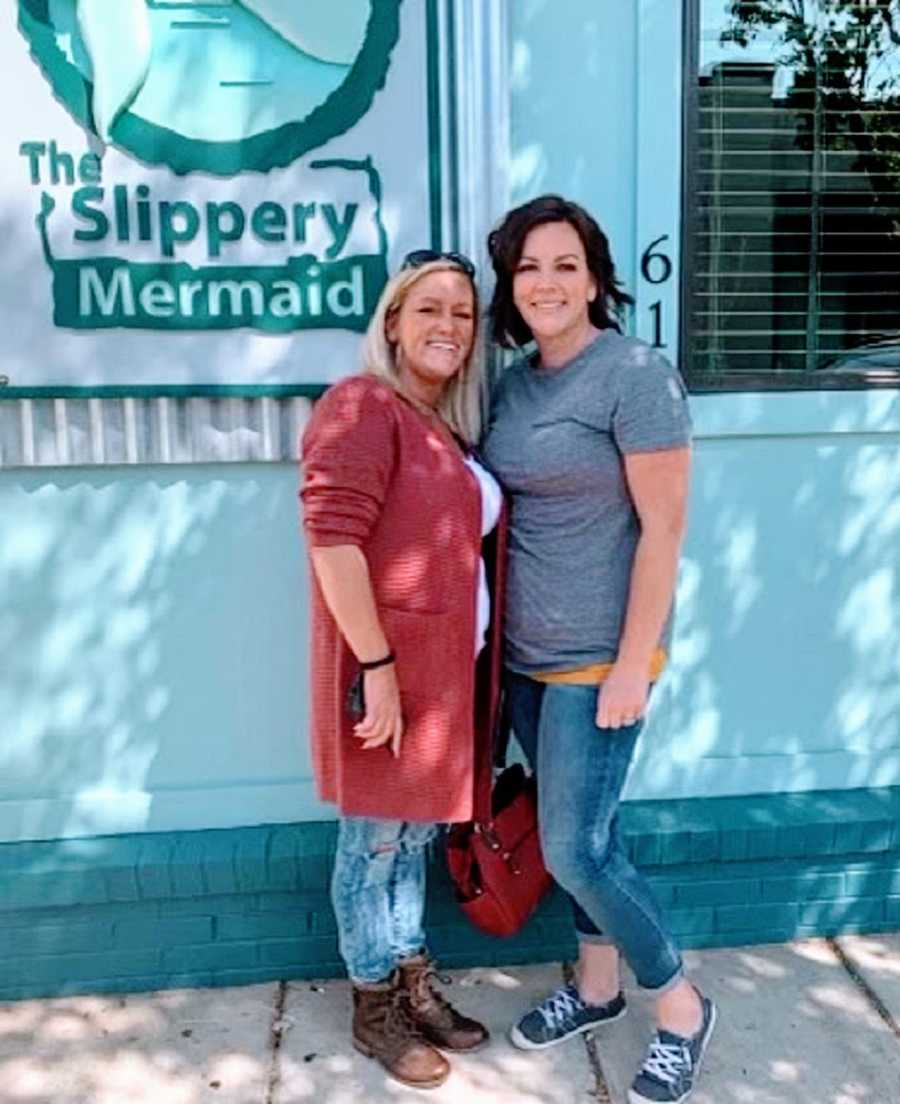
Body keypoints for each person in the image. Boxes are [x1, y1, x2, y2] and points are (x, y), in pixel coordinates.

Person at [480, 195, 715, 1104]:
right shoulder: (513, 384)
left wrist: (632, 662)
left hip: (598, 662)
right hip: (527, 659)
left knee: (574, 848)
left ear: (594, 279)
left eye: (564, 265)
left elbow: (664, 531)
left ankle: (683, 1006)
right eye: (528, 267)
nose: (546, 282)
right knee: (584, 832)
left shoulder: (635, 376)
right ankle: (598, 988)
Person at [299, 251, 503, 1090]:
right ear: (392, 322)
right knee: (374, 843)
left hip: (444, 682)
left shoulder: (434, 424)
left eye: (462, 313)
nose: (448, 326)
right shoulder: (361, 407)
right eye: (430, 309)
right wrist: (376, 665)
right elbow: (332, 540)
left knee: (412, 840)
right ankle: (374, 1003)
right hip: (390, 675)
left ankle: (412, 978)